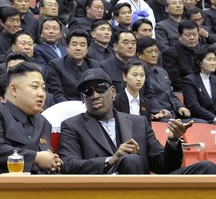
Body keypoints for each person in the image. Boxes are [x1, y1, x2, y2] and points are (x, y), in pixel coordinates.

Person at [58, 67, 216, 174]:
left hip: (147, 188)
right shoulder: (72, 126)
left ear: (112, 91)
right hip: (105, 188)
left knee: (207, 168)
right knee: (132, 160)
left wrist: (173, 141)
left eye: (100, 88)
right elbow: (68, 165)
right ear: (82, 99)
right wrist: (111, 160)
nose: (94, 95)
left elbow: (164, 166)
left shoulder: (139, 122)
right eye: (88, 92)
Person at [0, 62, 63, 174]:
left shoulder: (43, 122)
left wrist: (53, 163)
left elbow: (45, 155)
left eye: (43, 88)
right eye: (35, 87)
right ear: (14, 89)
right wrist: (36, 158)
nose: (41, 94)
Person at [137, 36, 206, 123]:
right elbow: (145, 97)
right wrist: (158, 111)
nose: (154, 55)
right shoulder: (139, 75)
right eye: (150, 52)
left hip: (174, 114)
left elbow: (170, 94)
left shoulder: (162, 72)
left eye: (156, 51)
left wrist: (180, 107)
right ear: (139, 55)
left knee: (202, 123)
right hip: (157, 116)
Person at [45, 29, 100, 103]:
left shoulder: (95, 65)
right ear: (67, 48)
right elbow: (57, 95)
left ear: (87, 49)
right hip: (67, 108)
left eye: (82, 45)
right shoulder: (56, 65)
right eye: (74, 44)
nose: (78, 48)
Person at [182, 45, 216, 124]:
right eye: (209, 60)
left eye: (215, 60)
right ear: (199, 62)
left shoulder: (214, 79)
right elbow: (193, 106)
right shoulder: (190, 80)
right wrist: (214, 117)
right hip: (199, 119)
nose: (213, 63)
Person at [162, 20, 199, 92]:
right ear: (179, 36)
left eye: (195, 34)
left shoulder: (201, 51)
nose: (192, 38)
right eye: (188, 35)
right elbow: (176, 81)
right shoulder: (170, 54)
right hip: (184, 91)